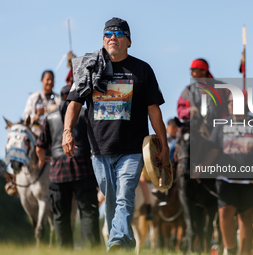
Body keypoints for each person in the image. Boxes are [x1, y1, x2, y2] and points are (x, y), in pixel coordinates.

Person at [62, 17, 169, 251]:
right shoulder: (90, 67)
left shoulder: (143, 69)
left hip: (133, 149)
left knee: (124, 195)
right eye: (108, 34)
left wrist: (164, 145)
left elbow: (154, 110)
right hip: (99, 150)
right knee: (111, 201)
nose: (113, 38)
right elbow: (74, 104)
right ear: (102, 40)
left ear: (128, 41)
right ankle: (123, 244)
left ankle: (116, 241)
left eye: (119, 34)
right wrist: (67, 131)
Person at [205, 91, 253, 255]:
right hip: (226, 179)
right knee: (224, 212)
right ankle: (230, 250)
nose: (231, 105)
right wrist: (201, 168)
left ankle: (245, 252)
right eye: (230, 102)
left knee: (245, 217)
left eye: (234, 102)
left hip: (252, 180)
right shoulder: (221, 125)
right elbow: (213, 150)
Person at [36, 85, 100, 248]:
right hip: (83, 168)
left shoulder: (49, 118)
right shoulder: (86, 113)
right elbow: (95, 140)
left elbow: (39, 147)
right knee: (88, 213)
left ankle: (64, 251)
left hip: (58, 170)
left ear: (61, 97)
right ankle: (91, 251)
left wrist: (44, 159)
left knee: (60, 216)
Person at [177, 58, 230, 134]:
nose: (191, 72)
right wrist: (189, 110)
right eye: (190, 69)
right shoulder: (188, 91)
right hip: (195, 131)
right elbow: (179, 110)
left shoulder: (221, 88)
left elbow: (234, 103)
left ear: (204, 71)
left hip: (219, 129)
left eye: (194, 69)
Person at [23, 70, 61, 136]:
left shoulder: (58, 99)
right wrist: (33, 118)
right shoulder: (34, 97)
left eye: (52, 80)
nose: (50, 82)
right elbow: (26, 115)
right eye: (48, 79)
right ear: (42, 81)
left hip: (54, 135)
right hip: (36, 134)